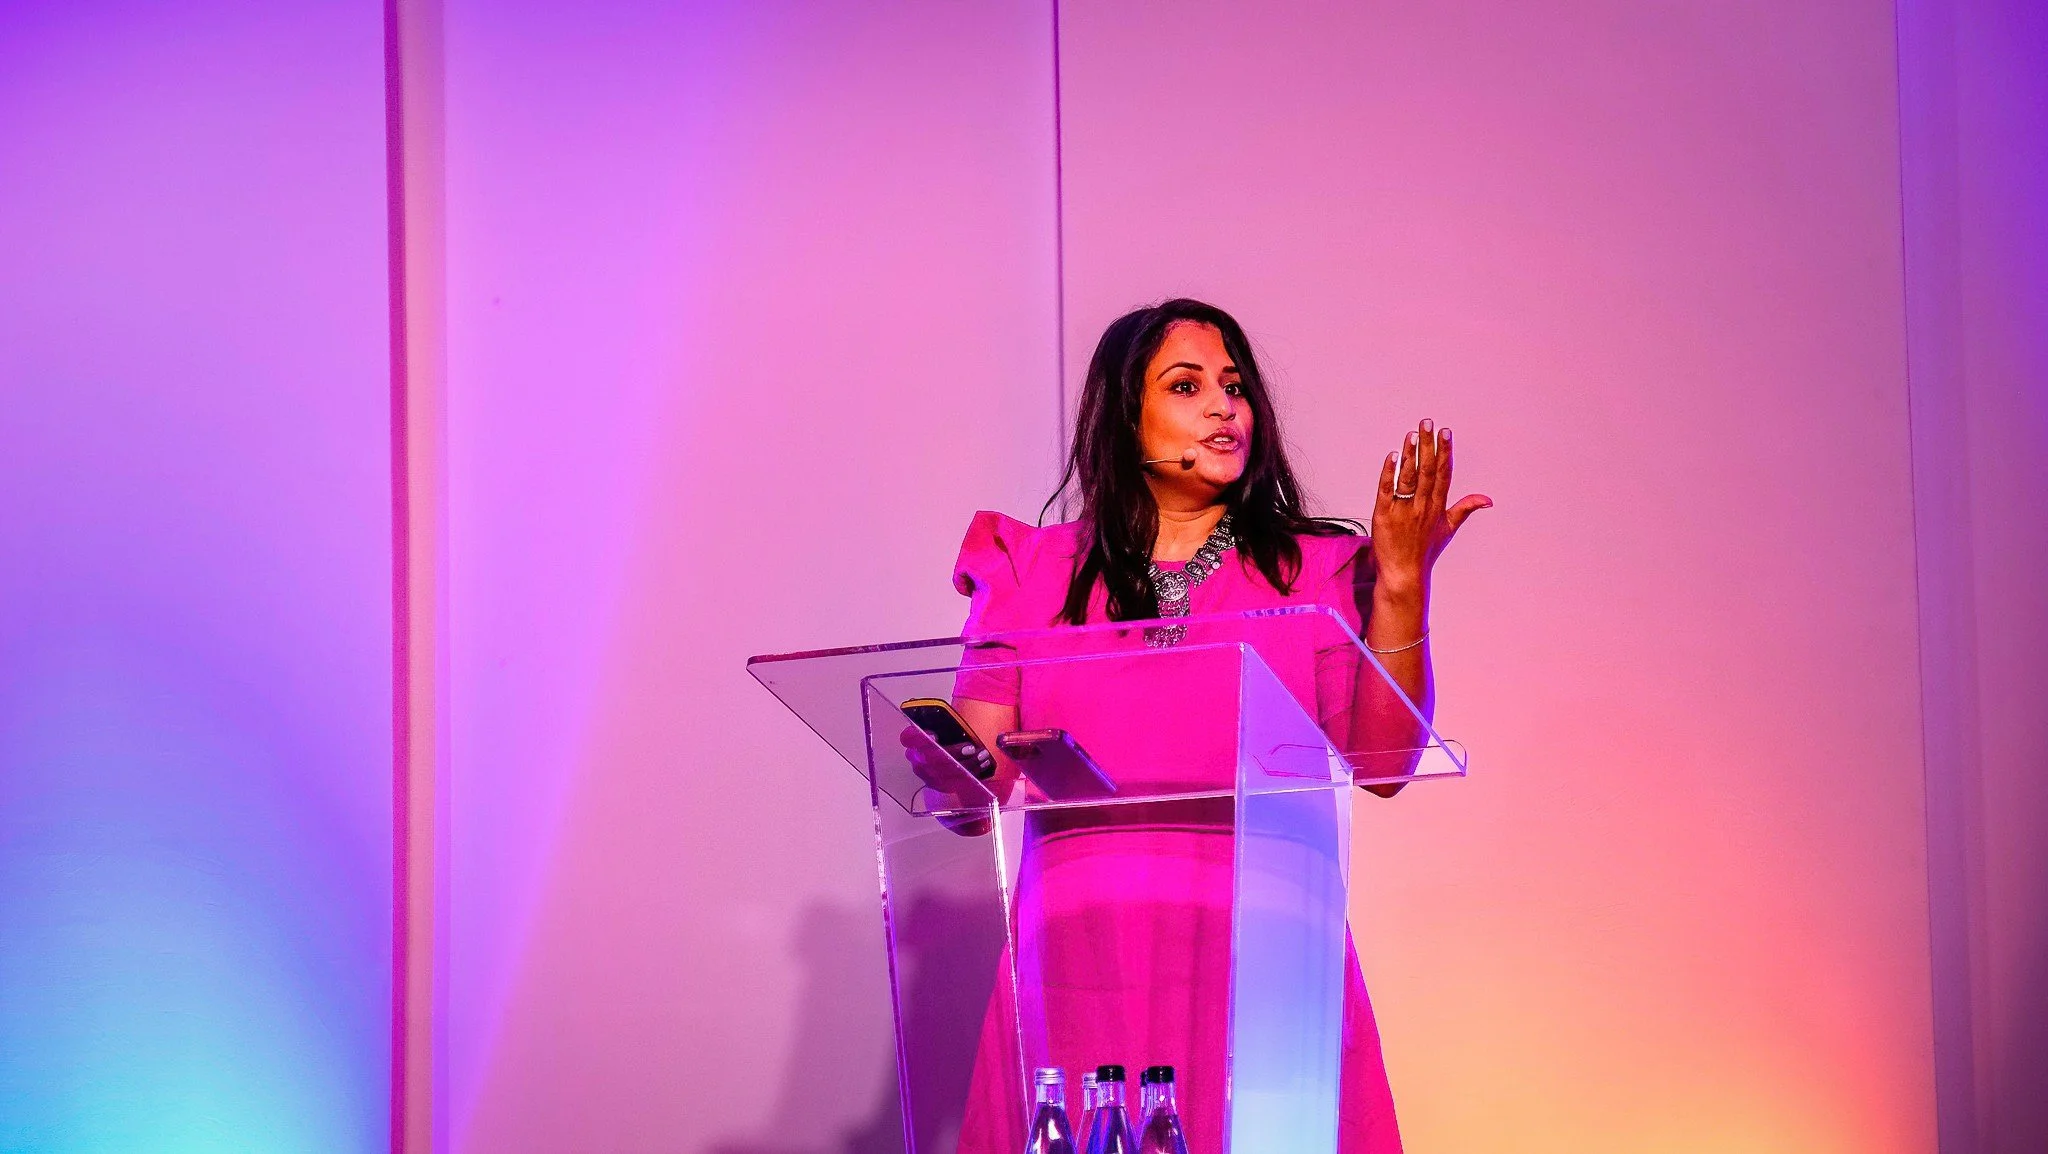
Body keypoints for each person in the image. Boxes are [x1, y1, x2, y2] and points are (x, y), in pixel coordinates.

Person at [941, 299, 1490, 1154]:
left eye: (1234, 387)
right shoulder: (1030, 570)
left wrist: (1399, 585)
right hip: (1085, 971)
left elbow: (1385, 764)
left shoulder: (1315, 572)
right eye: (1187, 385)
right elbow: (980, 780)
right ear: (1126, 419)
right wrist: (947, 769)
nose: (1224, 406)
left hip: (1264, 974)